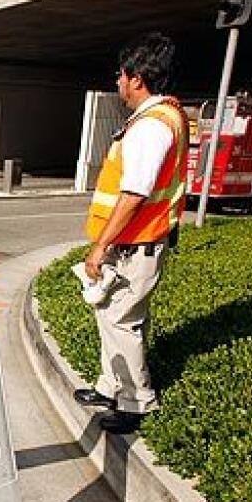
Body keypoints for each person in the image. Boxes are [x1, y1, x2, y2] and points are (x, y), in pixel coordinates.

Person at [75, 32, 189, 434]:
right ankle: (111, 386)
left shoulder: (150, 127)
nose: (117, 83)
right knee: (112, 316)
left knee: (123, 321)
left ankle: (136, 401)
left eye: (120, 75)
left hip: (135, 244)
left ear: (136, 77)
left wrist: (100, 246)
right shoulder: (163, 117)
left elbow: (134, 193)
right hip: (138, 241)